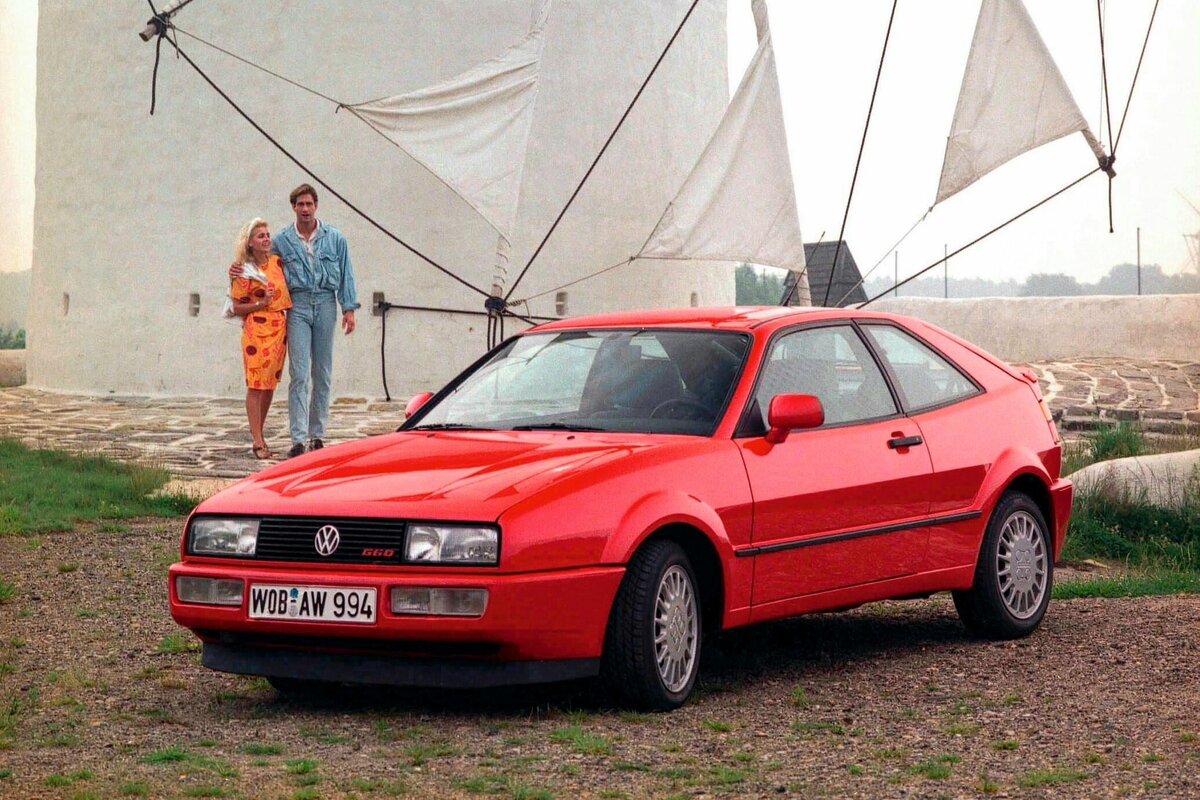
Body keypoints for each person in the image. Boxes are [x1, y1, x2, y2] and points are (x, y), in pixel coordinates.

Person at [231, 184, 359, 458]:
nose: (305, 209)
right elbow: (260, 259)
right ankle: (298, 438)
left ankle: (317, 435)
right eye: (299, 204)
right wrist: (237, 267)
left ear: (316, 206)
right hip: (298, 306)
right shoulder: (283, 240)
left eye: (309, 204)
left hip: (325, 303)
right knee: (299, 374)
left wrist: (348, 308)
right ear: (293, 207)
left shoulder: (335, 238)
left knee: (322, 373)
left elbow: (347, 272)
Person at [229, 218, 292, 459]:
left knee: (269, 385)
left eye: (267, 235)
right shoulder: (243, 271)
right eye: (260, 236)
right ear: (250, 243)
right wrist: (260, 303)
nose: (266, 239)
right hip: (257, 330)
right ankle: (257, 441)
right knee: (255, 384)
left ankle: (261, 433)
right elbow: (235, 307)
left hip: (279, 329)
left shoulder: (277, 262)